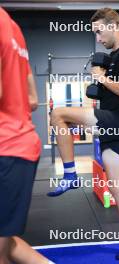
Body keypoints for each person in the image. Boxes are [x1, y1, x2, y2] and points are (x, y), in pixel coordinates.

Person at [47, 7, 119, 260]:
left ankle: (70, 174)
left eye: (99, 32)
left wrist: (101, 79)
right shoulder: (113, 56)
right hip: (113, 124)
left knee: (58, 113)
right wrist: (98, 85)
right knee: (116, 187)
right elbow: (112, 90)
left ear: (113, 26)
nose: (98, 38)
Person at [0, 7, 55, 264]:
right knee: (7, 244)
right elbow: (32, 99)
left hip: (5, 147)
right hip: (19, 144)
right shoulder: (12, 26)